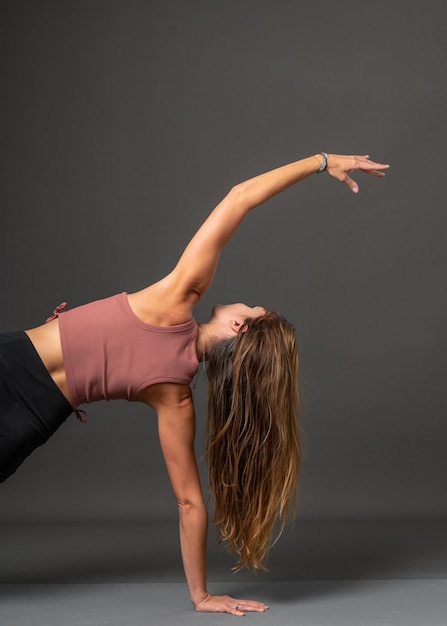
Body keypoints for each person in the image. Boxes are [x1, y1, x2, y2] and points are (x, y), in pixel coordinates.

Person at [0, 152, 389, 616]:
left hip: (11, 365)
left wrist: (323, 161)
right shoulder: (176, 396)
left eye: (253, 307)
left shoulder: (177, 298)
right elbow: (189, 503)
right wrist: (200, 595)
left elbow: (240, 197)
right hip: (32, 423)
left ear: (240, 327)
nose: (246, 301)